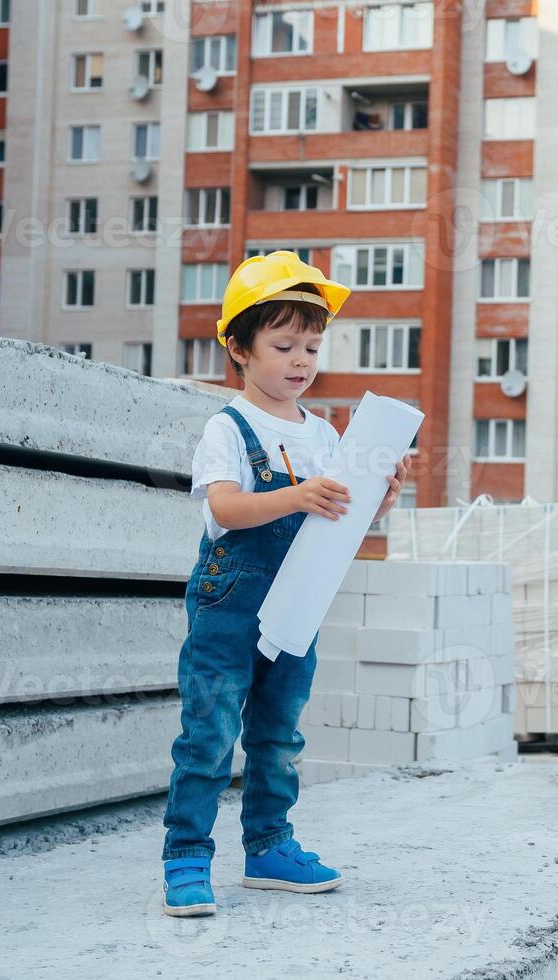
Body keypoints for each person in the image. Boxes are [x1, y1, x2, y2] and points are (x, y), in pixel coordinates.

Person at [160, 251, 409, 917]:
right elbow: (223, 510)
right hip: (229, 605)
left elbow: (336, 520)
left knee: (278, 734)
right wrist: (298, 495)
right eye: (283, 345)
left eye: (311, 345)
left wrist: (377, 498)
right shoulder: (229, 427)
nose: (301, 360)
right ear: (239, 349)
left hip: (296, 603)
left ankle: (269, 848)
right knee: (209, 732)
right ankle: (186, 856)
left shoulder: (324, 433)